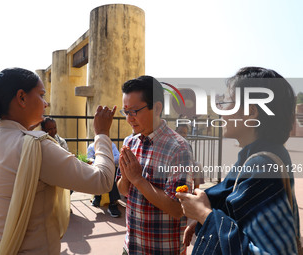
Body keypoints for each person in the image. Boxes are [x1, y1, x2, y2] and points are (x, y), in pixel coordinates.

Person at [0, 67, 116, 255]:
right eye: (42, 95)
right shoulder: (36, 147)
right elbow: (103, 180)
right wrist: (101, 134)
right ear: (22, 98)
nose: (46, 103)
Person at [176, 67, 301, 254]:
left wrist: (205, 215)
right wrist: (206, 216)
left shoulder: (262, 165)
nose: (221, 110)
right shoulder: (265, 155)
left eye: (227, 102)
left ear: (251, 112)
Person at [117, 75, 193, 254]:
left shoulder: (178, 148)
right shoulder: (130, 142)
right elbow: (122, 189)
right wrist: (127, 178)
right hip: (131, 246)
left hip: (162, 249)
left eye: (134, 111)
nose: (129, 118)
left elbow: (178, 209)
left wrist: (138, 179)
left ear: (157, 107)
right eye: (126, 112)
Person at [87, 142, 122, 217]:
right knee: (100, 173)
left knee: (111, 174)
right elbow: (89, 159)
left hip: (109, 167)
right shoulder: (92, 146)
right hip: (97, 168)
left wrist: (108, 161)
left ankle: (112, 203)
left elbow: (118, 156)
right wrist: (100, 162)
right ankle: (98, 197)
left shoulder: (111, 145)